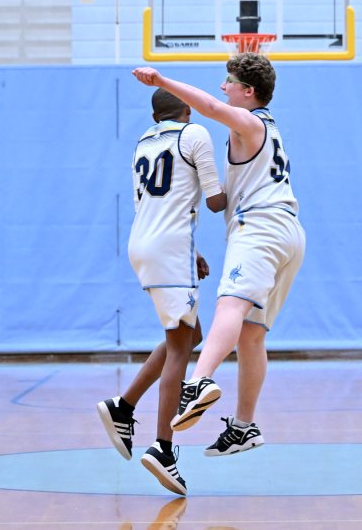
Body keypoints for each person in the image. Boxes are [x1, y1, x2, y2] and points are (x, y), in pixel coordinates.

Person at [132, 52, 306, 456]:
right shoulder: (270, 130)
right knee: (251, 333)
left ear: (248, 91)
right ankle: (245, 426)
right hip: (289, 233)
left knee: (228, 305)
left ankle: (200, 380)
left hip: (259, 227)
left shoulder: (249, 122)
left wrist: (161, 80)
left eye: (229, 82)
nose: (222, 88)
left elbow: (208, 108)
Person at [97, 88, 226, 495]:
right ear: (186, 108)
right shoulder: (195, 134)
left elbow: (158, 204)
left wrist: (194, 251)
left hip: (147, 243)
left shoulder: (143, 142)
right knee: (179, 346)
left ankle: (124, 405)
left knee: (191, 336)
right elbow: (216, 201)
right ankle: (163, 448)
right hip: (169, 248)